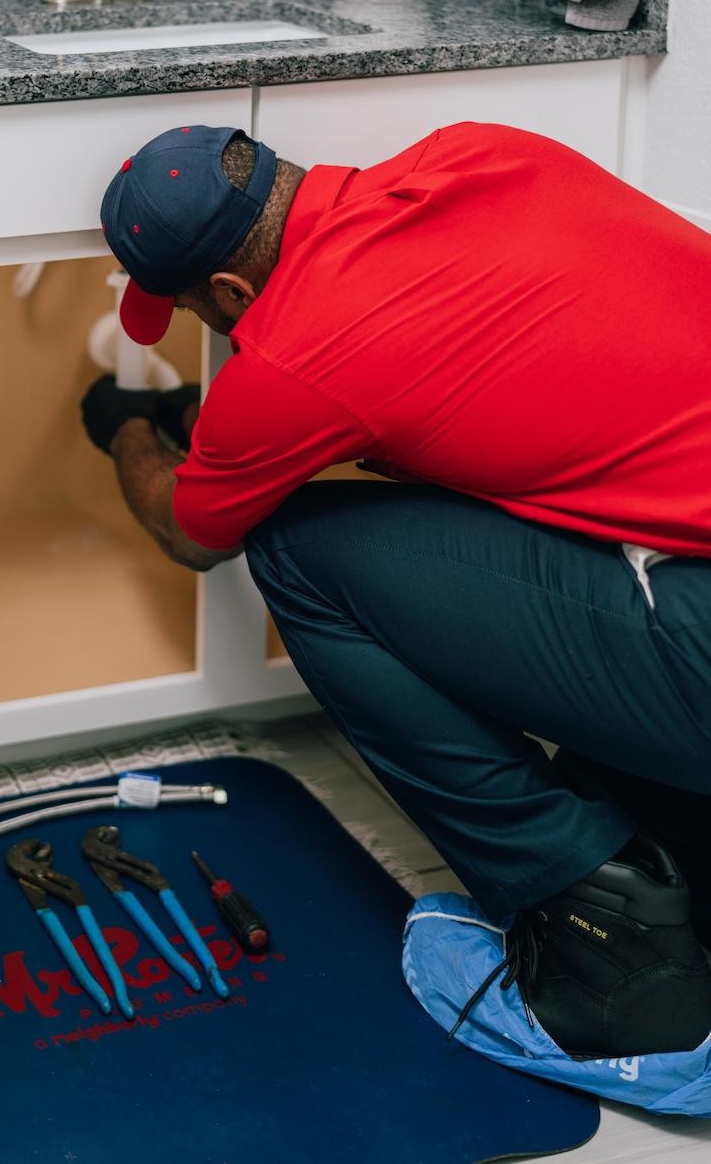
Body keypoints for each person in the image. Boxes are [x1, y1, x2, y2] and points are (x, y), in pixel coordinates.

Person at [81, 121, 711, 1059]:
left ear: (228, 291)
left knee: (294, 550)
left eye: (191, 310)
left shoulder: (294, 359)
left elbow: (189, 532)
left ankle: (617, 961)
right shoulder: (485, 151)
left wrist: (128, 430)